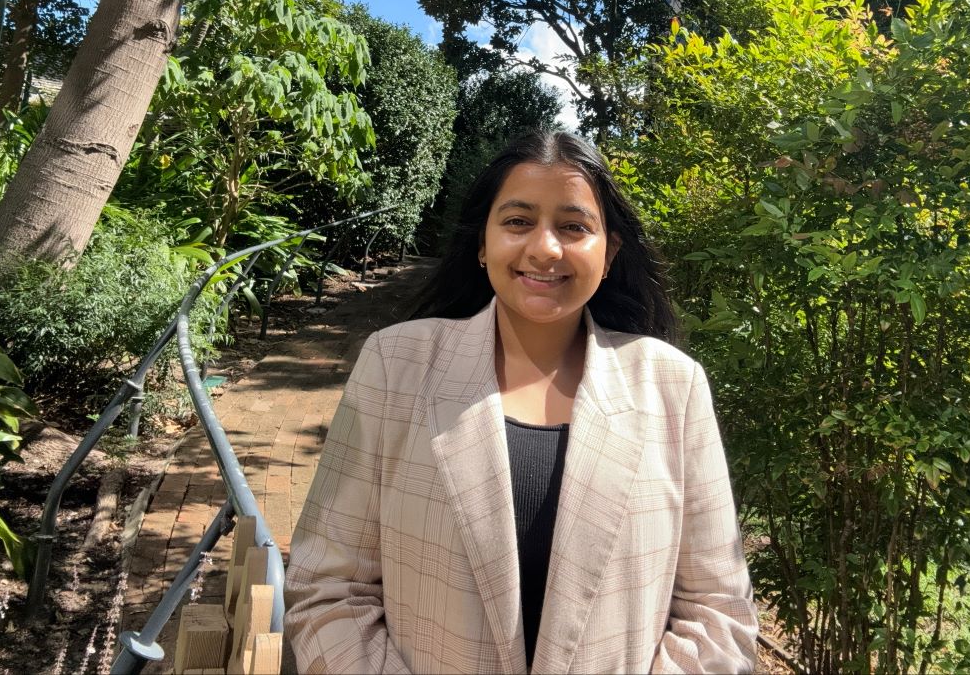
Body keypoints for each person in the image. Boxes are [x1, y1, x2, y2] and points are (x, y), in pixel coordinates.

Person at [284, 130, 759, 674]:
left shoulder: (673, 386)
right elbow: (328, 588)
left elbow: (718, 611)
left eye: (574, 226)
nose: (545, 248)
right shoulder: (397, 366)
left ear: (610, 253)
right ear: (483, 243)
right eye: (517, 221)